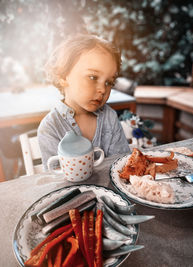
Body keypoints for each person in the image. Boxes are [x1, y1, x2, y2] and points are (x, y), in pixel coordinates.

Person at [38, 34, 131, 170]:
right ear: (63, 76)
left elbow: (122, 165)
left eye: (109, 82)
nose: (102, 89)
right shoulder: (50, 127)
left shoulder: (109, 116)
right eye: (93, 77)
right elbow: (55, 179)